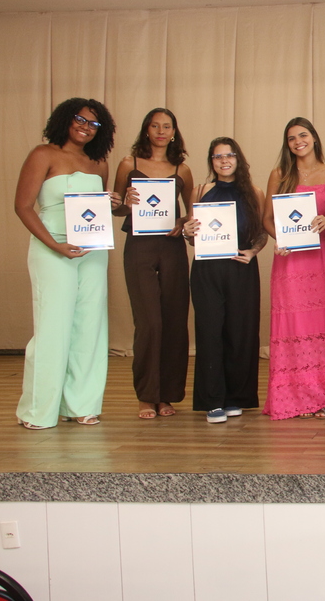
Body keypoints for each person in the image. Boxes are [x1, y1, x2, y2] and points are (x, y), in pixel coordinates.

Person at [14, 98, 119, 429]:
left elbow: (97, 209)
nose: (86, 127)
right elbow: (23, 206)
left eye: (94, 124)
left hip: (92, 252)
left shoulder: (98, 163)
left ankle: (81, 405)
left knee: (90, 326)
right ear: (65, 119)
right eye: (80, 119)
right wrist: (55, 245)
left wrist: (113, 202)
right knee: (52, 329)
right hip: (53, 248)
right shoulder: (43, 154)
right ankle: (38, 411)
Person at [263, 117, 325, 420]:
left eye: (302, 135)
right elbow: (267, 219)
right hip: (289, 260)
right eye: (291, 138)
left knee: (322, 327)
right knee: (294, 327)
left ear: (314, 137)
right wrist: (280, 239)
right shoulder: (279, 174)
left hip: (320, 260)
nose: (298, 142)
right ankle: (295, 398)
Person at [112, 108, 193, 420]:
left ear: (174, 132)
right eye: (155, 126)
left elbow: (191, 212)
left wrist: (183, 222)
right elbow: (117, 208)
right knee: (149, 323)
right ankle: (147, 396)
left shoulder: (182, 169)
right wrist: (124, 202)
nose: (161, 131)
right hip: (139, 247)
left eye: (167, 126)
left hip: (172, 247)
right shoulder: (128, 164)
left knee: (174, 322)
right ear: (146, 130)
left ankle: (167, 395)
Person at [183, 137, 267, 423]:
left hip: (241, 268)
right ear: (212, 161)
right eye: (218, 156)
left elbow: (261, 232)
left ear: (238, 158)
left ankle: (236, 397)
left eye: (229, 155)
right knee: (210, 333)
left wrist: (253, 252)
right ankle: (212, 400)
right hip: (207, 270)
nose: (224, 161)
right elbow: (193, 237)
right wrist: (188, 232)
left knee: (240, 334)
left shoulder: (254, 193)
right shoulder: (200, 191)